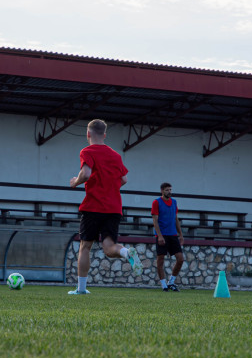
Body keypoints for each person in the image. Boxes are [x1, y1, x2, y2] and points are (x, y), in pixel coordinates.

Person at [68, 119, 141, 295]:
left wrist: (75, 182)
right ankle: (125, 252)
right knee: (109, 247)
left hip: (93, 206)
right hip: (114, 207)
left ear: (88, 134)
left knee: (85, 247)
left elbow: (86, 173)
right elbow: (123, 179)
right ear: (105, 135)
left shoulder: (87, 151)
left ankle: (81, 289)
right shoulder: (115, 155)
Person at [151, 182, 185, 292]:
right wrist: (159, 236)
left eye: (170, 190)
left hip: (173, 235)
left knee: (180, 259)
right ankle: (163, 284)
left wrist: (180, 234)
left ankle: (171, 282)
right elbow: (155, 221)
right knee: (160, 260)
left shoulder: (174, 202)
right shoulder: (156, 202)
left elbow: (176, 219)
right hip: (162, 235)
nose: (169, 192)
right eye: (167, 190)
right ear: (162, 191)